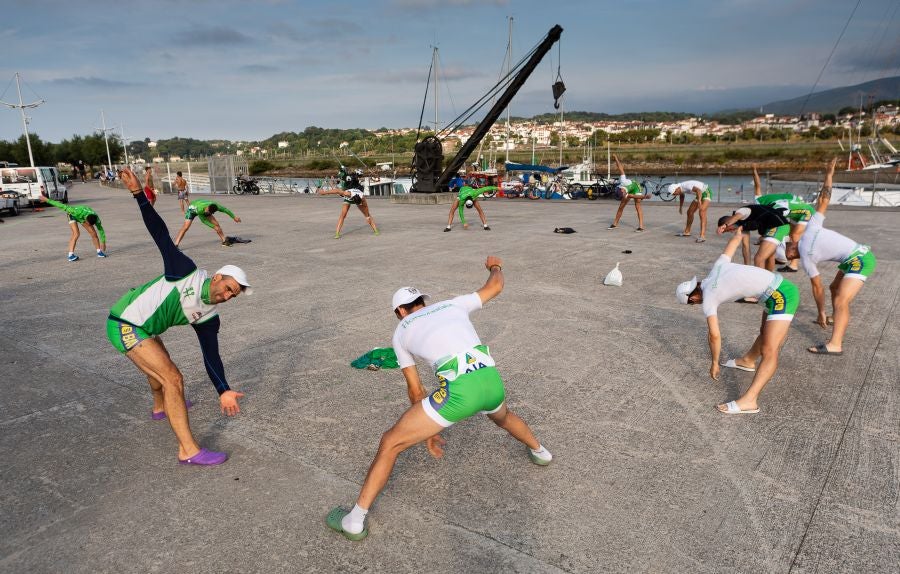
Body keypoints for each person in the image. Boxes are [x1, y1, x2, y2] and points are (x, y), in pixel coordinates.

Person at [327, 257, 552, 540]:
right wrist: (495, 266)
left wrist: (428, 431)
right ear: (423, 302)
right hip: (491, 380)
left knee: (390, 442)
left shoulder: (401, 332)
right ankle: (541, 452)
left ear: (399, 311)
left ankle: (354, 521)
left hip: (460, 391)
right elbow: (495, 286)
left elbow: (416, 391)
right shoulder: (452, 304)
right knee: (504, 418)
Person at [107, 168, 251, 465]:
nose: (226, 296)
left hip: (145, 326)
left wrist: (224, 390)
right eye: (227, 288)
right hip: (126, 322)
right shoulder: (184, 270)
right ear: (218, 277)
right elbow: (160, 234)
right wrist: (139, 194)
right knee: (172, 377)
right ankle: (188, 449)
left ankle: (160, 408)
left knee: (160, 366)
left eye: (232, 296)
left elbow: (212, 357)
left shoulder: (209, 317)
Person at [676, 227, 799, 414]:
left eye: (692, 303)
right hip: (775, 289)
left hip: (782, 295)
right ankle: (748, 361)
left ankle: (750, 400)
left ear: (692, 299)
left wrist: (715, 362)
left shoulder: (708, 299)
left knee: (770, 349)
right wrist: (739, 230)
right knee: (764, 333)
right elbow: (733, 243)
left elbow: (714, 336)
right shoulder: (716, 268)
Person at [784, 158, 876, 355]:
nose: (787, 245)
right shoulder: (810, 233)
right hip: (854, 258)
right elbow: (824, 200)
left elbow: (817, 288)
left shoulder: (808, 245)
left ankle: (835, 344)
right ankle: (836, 317)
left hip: (860, 259)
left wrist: (820, 312)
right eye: (785, 248)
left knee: (841, 300)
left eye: (785, 246)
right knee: (835, 288)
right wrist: (829, 175)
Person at [317, 167, 379, 239]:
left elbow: (366, 207)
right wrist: (323, 193)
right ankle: (337, 233)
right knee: (343, 215)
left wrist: (367, 216)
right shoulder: (348, 194)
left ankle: (376, 230)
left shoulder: (362, 198)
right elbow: (337, 190)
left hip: (357, 199)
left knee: (368, 215)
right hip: (349, 198)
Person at [43, 193, 107, 261]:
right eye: (88, 224)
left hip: (83, 217)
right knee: (76, 234)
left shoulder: (96, 219)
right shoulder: (75, 211)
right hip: (72, 215)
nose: (89, 226)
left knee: (94, 234)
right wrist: (47, 200)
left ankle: (99, 252)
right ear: (86, 219)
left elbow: (100, 229)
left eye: (90, 225)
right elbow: (62, 206)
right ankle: (70, 255)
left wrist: (103, 242)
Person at [174, 199, 242, 247]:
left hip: (202, 207)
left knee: (217, 224)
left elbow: (225, 210)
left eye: (211, 213)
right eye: (209, 213)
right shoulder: (200, 209)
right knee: (185, 227)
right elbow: (203, 220)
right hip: (192, 210)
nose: (210, 214)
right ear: (207, 208)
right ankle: (176, 244)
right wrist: (212, 226)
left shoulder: (216, 206)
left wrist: (234, 217)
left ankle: (224, 241)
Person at [608, 154, 645, 231]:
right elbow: (624, 196)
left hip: (635, 187)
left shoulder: (623, 181)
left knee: (637, 205)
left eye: (624, 194)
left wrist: (616, 158)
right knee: (621, 206)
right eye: (624, 195)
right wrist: (625, 195)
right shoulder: (620, 191)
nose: (625, 195)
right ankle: (615, 224)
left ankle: (641, 226)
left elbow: (620, 168)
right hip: (628, 190)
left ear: (623, 191)